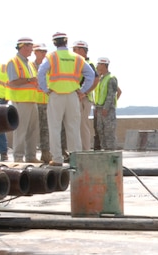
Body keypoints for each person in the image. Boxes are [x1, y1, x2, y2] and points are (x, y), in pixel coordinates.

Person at [36, 31, 95, 166]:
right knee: (73, 127)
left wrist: (45, 89)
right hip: (73, 95)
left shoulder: (51, 57)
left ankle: (57, 158)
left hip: (56, 94)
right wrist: (83, 91)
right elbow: (90, 74)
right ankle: (76, 159)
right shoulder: (76, 58)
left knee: (55, 127)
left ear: (54, 43)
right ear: (66, 41)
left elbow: (41, 72)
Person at [5, 37, 40, 163]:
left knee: (32, 130)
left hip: (31, 100)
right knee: (21, 130)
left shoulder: (29, 64)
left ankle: (31, 156)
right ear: (23, 47)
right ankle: (18, 157)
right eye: (30, 46)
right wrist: (29, 80)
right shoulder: (13, 62)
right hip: (20, 101)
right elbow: (13, 82)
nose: (32, 49)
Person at [72, 40, 96, 151]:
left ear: (82, 50)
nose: (73, 52)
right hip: (78, 98)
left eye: (75, 49)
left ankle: (85, 150)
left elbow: (96, 80)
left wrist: (84, 93)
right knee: (76, 126)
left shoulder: (88, 64)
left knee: (82, 126)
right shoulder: (78, 63)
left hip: (83, 99)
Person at [32, 43, 52, 164]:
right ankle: (31, 154)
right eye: (41, 51)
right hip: (34, 101)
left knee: (46, 129)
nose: (43, 53)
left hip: (47, 101)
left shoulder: (48, 66)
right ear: (35, 52)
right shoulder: (31, 66)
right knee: (33, 129)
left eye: (45, 51)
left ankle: (46, 153)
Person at [93, 57, 119, 150]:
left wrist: (106, 108)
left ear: (104, 65)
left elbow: (111, 95)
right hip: (99, 108)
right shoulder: (101, 79)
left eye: (99, 64)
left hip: (107, 110)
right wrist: (96, 108)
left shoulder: (111, 78)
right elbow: (98, 95)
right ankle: (105, 151)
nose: (97, 66)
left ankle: (111, 152)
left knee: (109, 132)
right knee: (101, 131)